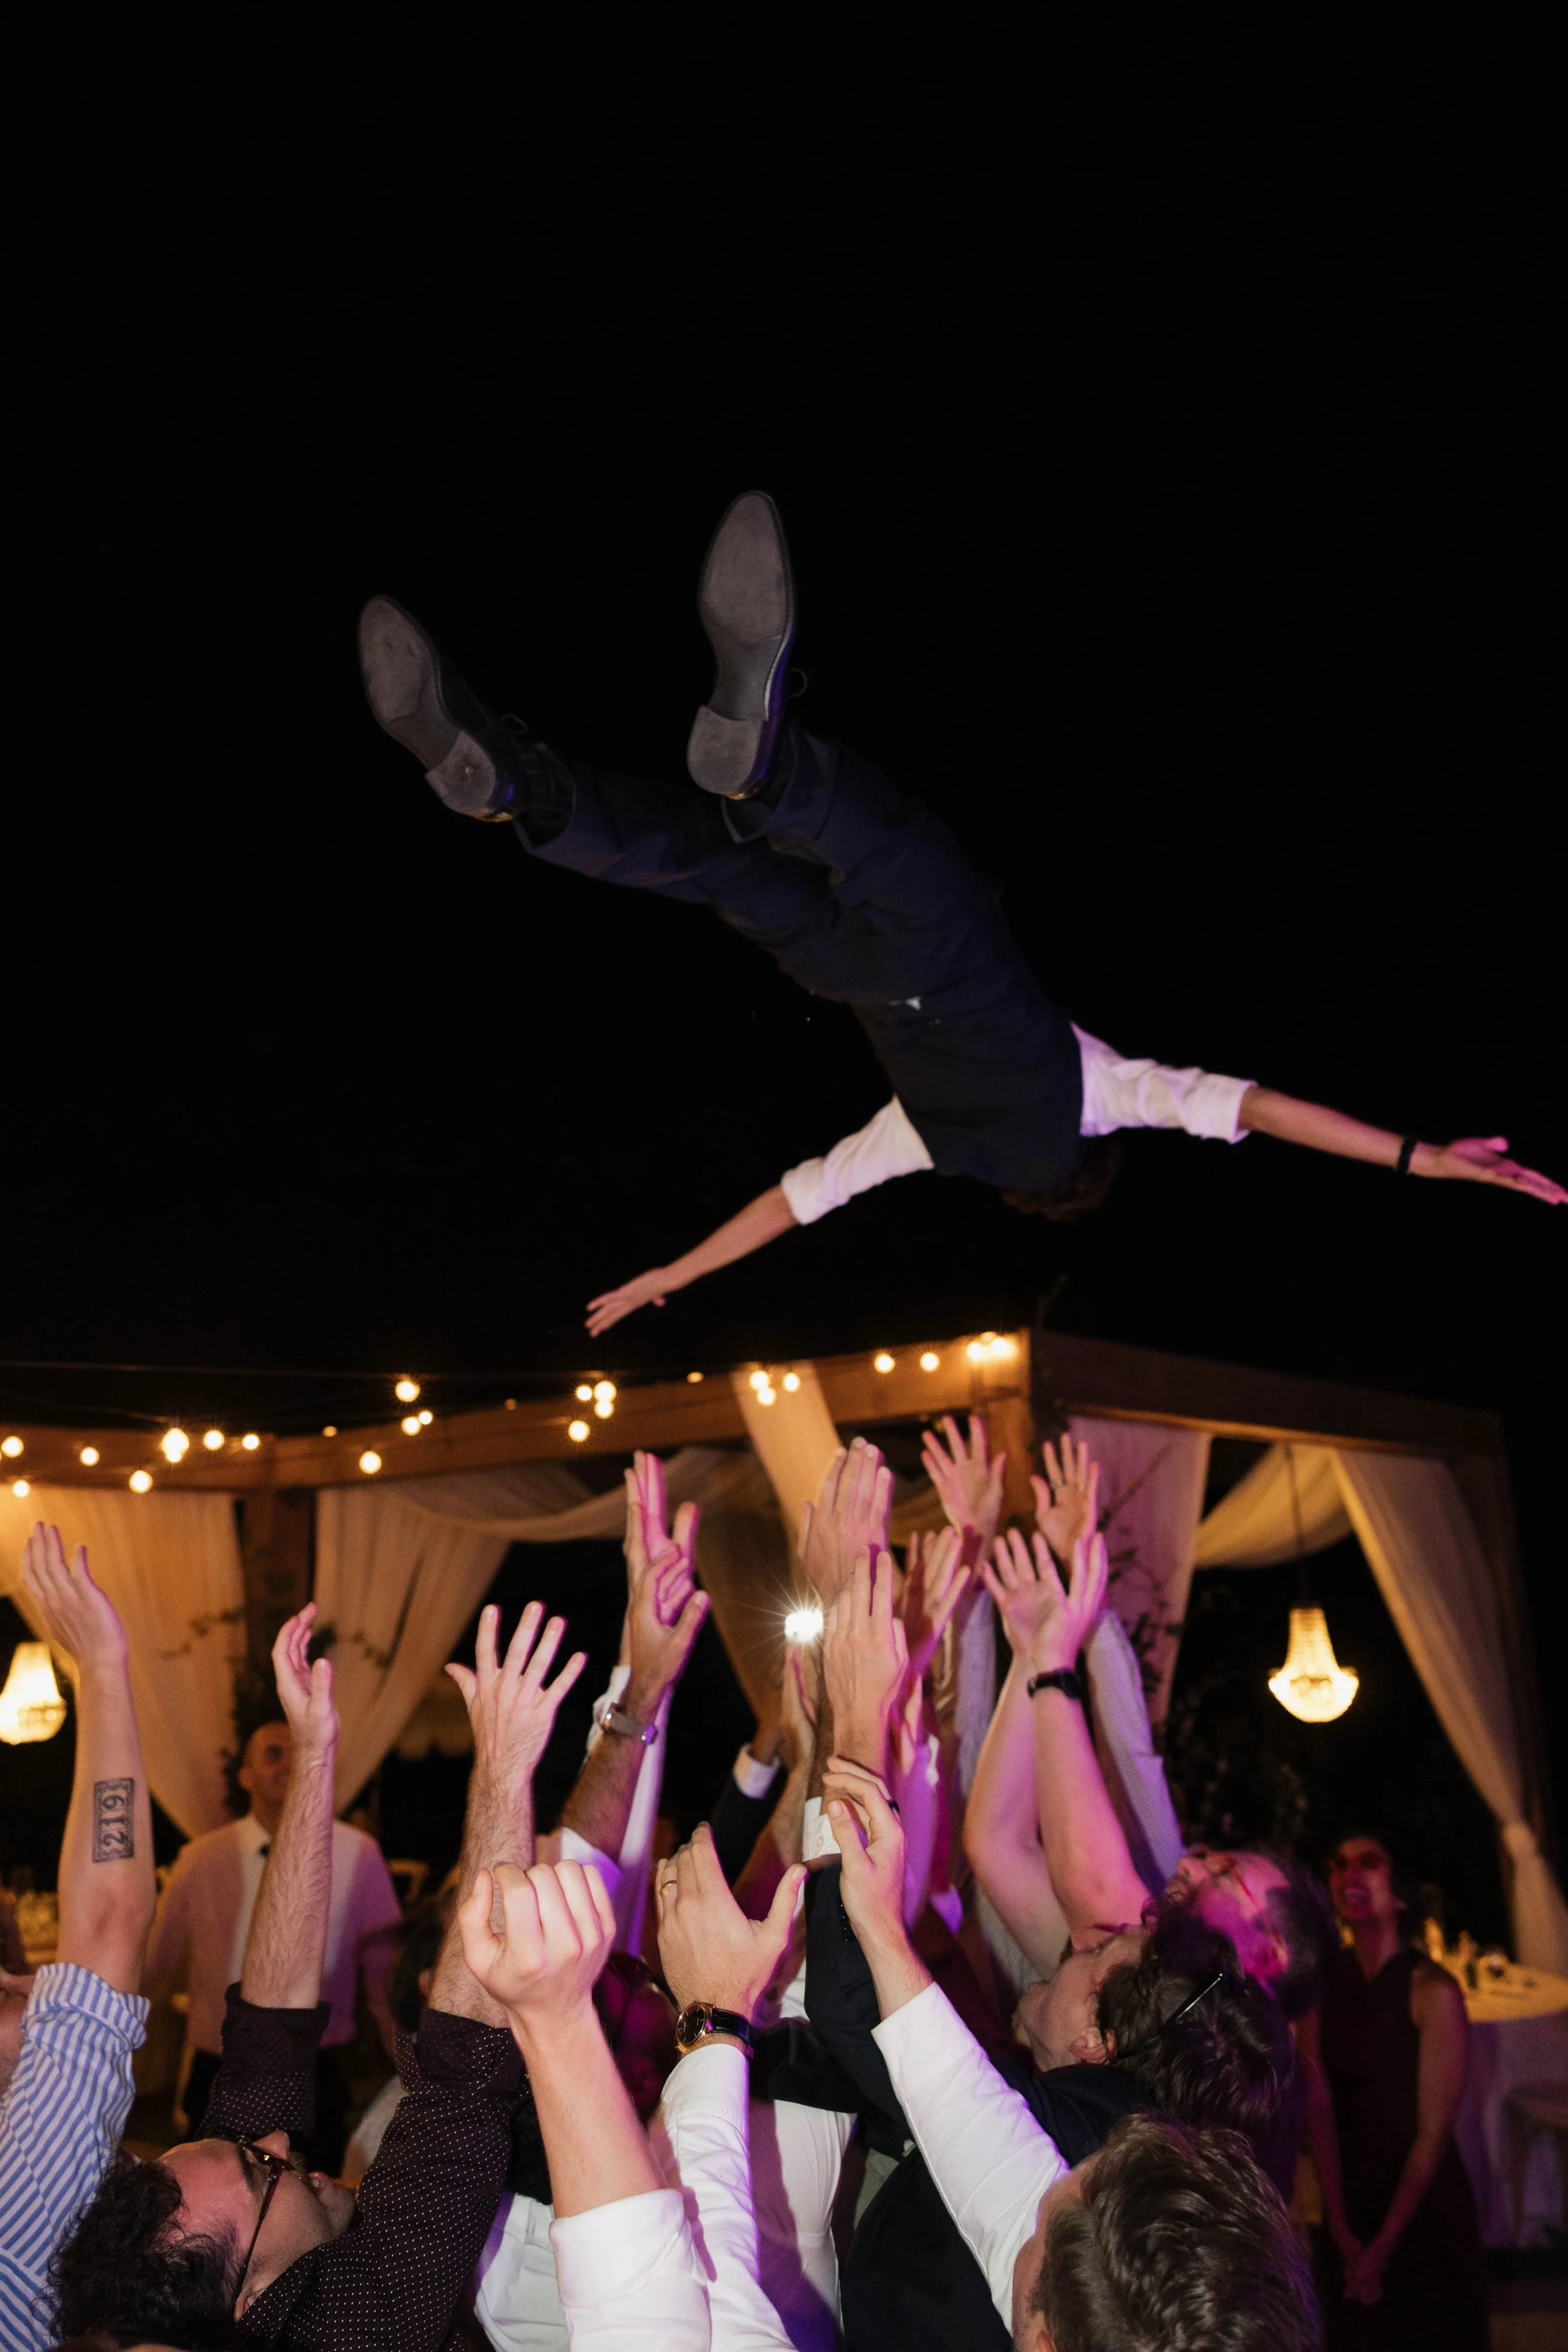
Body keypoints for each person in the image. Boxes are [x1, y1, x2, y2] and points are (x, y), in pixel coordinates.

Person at [357, 492, 1567, 1343]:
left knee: (893, 843)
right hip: (842, 976)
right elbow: (795, 1200)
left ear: (1089, 1166)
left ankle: (769, 767)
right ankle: (530, 798)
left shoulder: (1104, 1099)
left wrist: (1426, 1159)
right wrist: (672, 1273)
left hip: (939, 947)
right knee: (704, 871)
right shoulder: (930, 1145)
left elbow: (1260, 1111)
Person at [53, 1595, 586, 2350]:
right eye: (261, 2171)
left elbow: (266, 2027)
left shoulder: (224, 2268)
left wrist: (313, 1754)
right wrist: (504, 1762)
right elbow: (461, 2077)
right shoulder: (354, 2332)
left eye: (242, 2149)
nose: (275, 2146)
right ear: (252, 2300)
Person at [822, 1746, 1320, 2351]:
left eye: (1092, 1954)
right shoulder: (1131, 2140)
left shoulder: (1079, 2151)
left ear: (1096, 2042)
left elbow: (854, 2008)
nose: (1075, 1941)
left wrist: (850, 1748)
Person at [972, 1474, 1338, 2018]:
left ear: (1263, 1954)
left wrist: (1052, 1665)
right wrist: (1031, 1651)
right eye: (1215, 1860)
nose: (1192, 1861)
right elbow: (997, 1844)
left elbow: (1095, 1888)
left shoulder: (1193, 2018)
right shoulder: (1127, 1954)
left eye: (1223, 1875)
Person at [455, 1831, 808, 2351]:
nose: (643, 1969)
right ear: (638, 2079)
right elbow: (692, 2281)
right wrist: (557, 2016)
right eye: (629, 1979)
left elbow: (673, 2297)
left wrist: (556, 2016)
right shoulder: (779, 2141)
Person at [0, 1525, 156, 2351]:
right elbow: (108, 1919)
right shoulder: (15, 2197)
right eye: (4, 1990)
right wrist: (99, 1664)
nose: (32, 1980)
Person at [144, 1686, 403, 2173]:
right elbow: (155, 1966)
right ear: (245, 1775)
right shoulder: (200, 1859)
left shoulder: (360, 1854)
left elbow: (385, 1979)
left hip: (319, 2069)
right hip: (218, 2067)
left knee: (313, 2205)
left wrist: (413, 2070)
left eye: (301, 1749)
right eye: (273, 1753)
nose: (288, 1762)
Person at [1300, 1831, 1487, 2349]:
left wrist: (1383, 2245)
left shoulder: (1435, 1991)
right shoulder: (1319, 1986)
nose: (1347, 1874)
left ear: (1398, 1889)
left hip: (1423, 2210)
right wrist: (1339, 2225)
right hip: (1349, 2205)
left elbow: (1432, 2135)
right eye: (1338, 1864)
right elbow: (1318, 2106)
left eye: (1368, 1863)